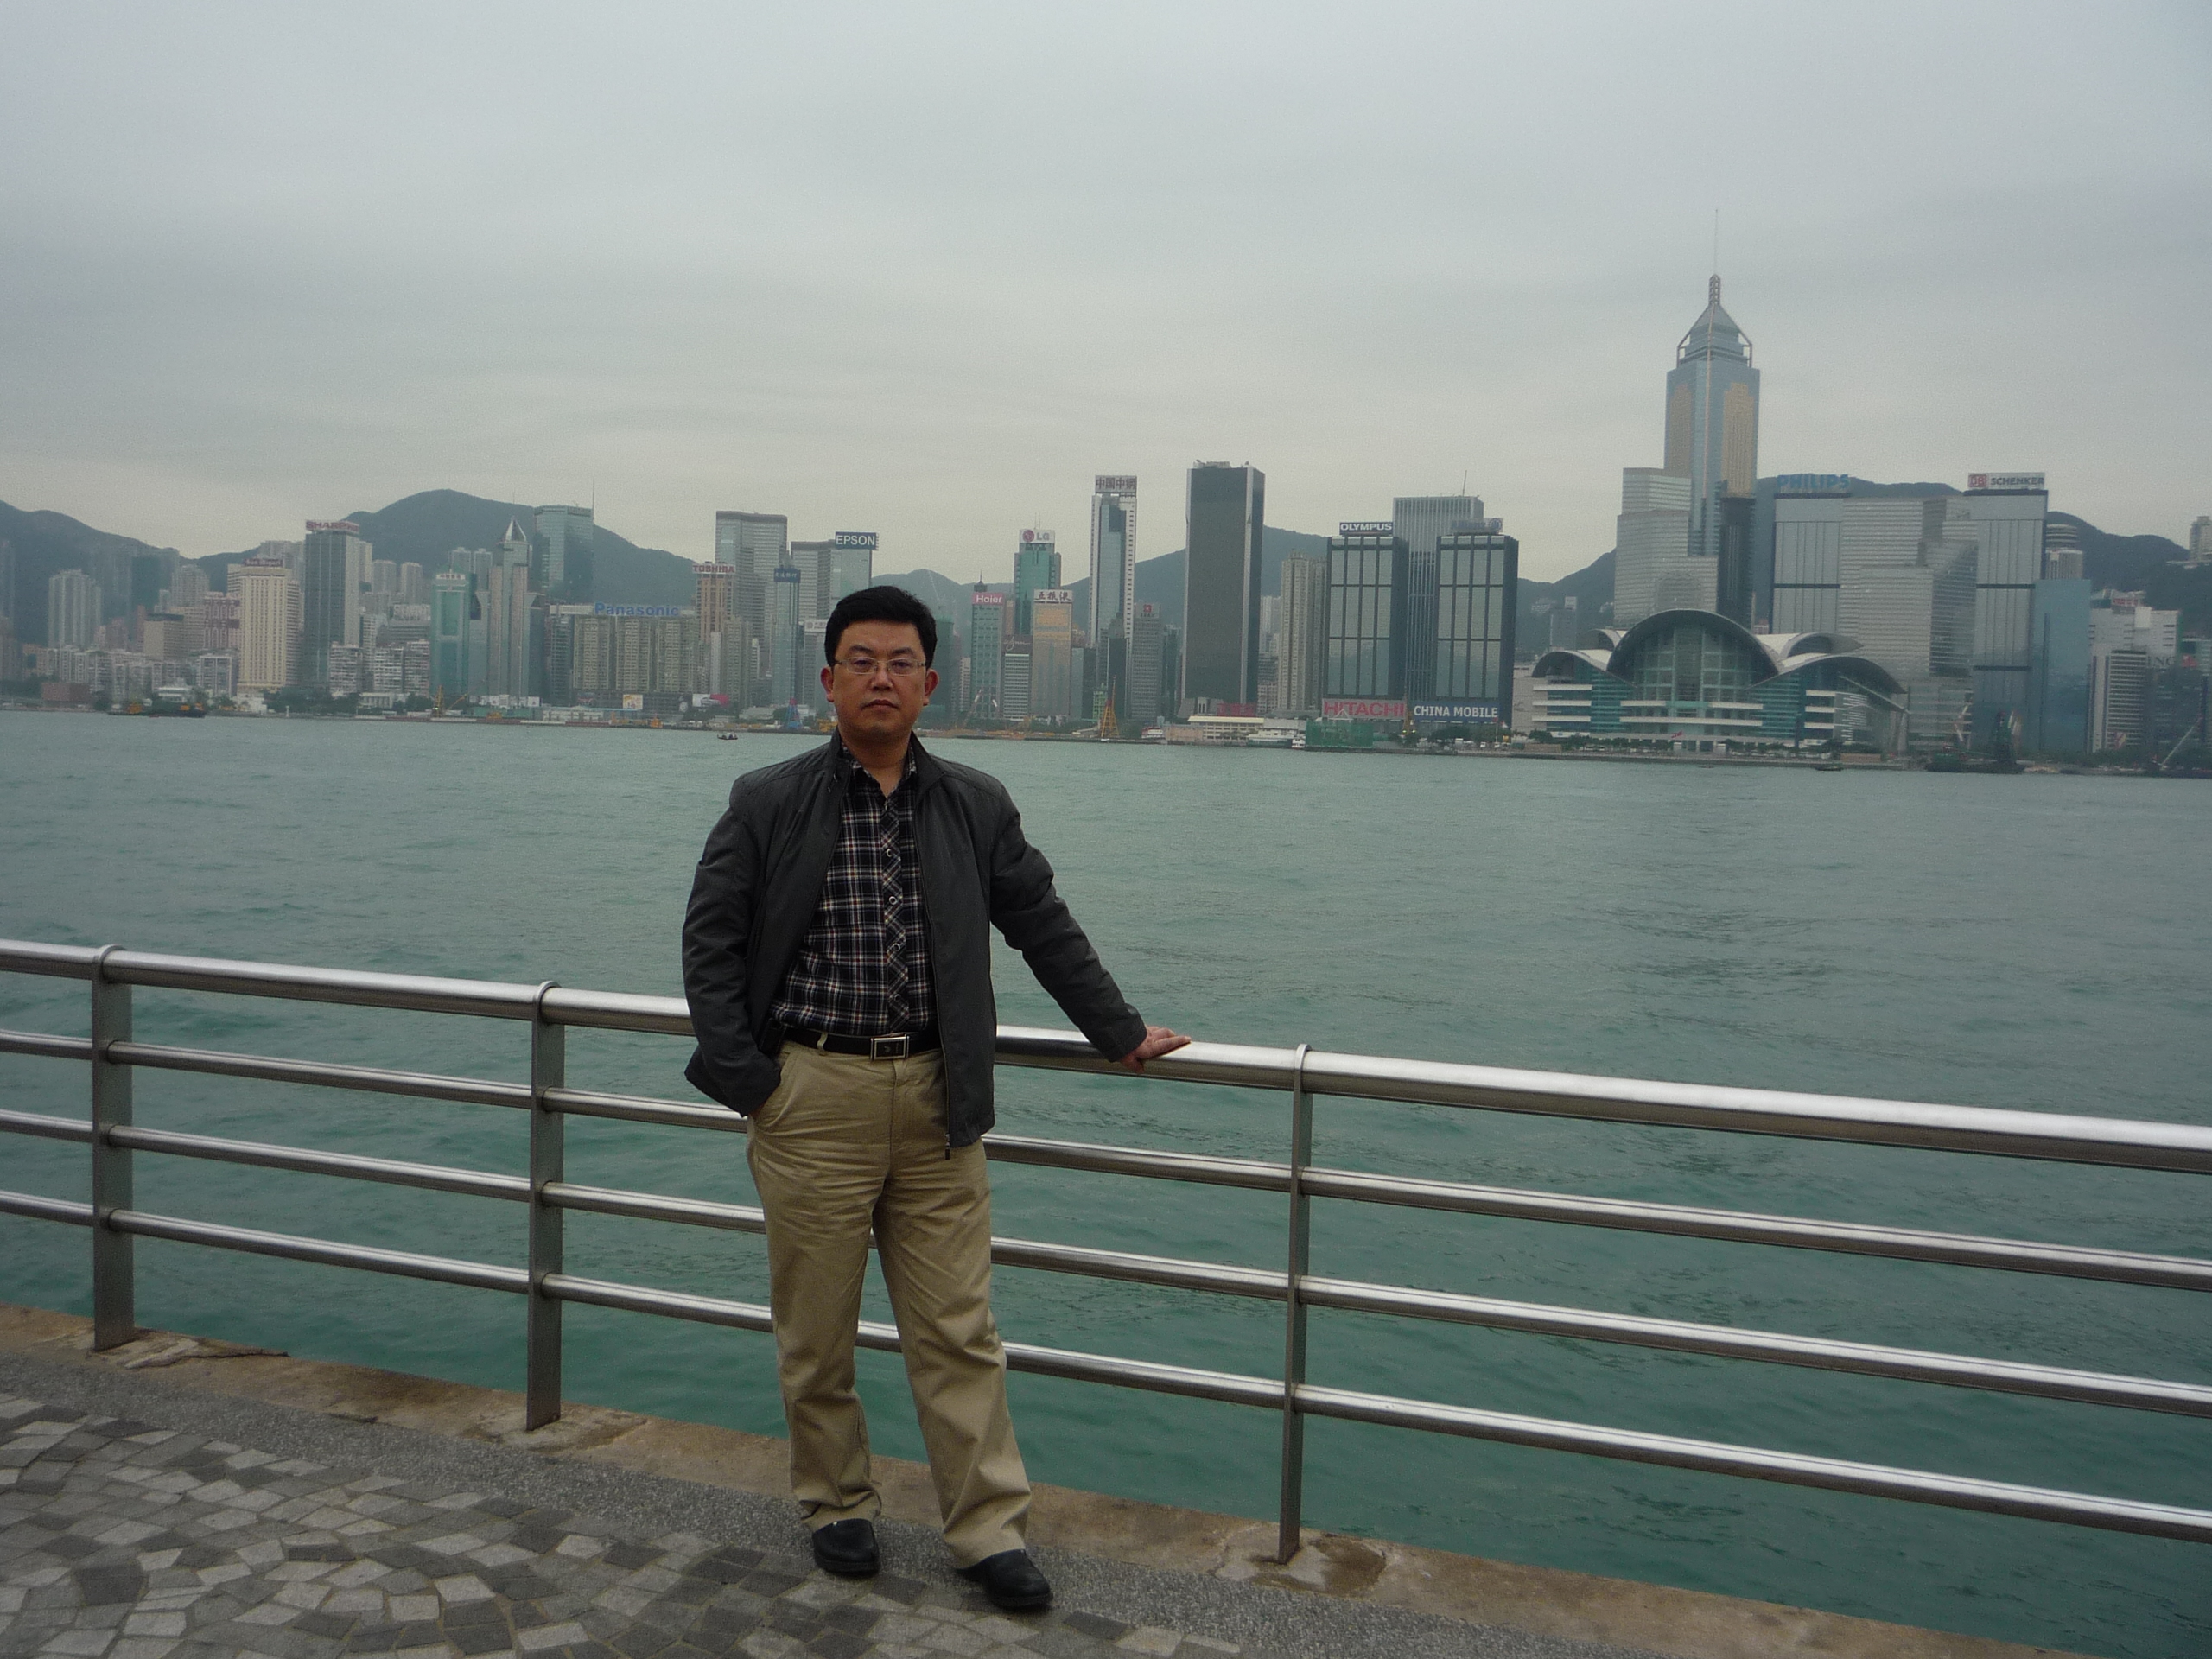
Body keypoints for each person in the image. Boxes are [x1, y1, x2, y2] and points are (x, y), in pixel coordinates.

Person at [682, 584, 1188, 1611]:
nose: (881, 678)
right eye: (861, 662)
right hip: (811, 1093)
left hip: (938, 1096)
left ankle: (987, 1530)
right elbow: (711, 944)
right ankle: (836, 1503)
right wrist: (753, 1085)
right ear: (828, 682)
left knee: (958, 1329)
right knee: (816, 1330)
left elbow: (1040, 922)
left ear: (930, 684)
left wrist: (1119, 1030)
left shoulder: (975, 804)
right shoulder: (765, 799)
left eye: (900, 662)